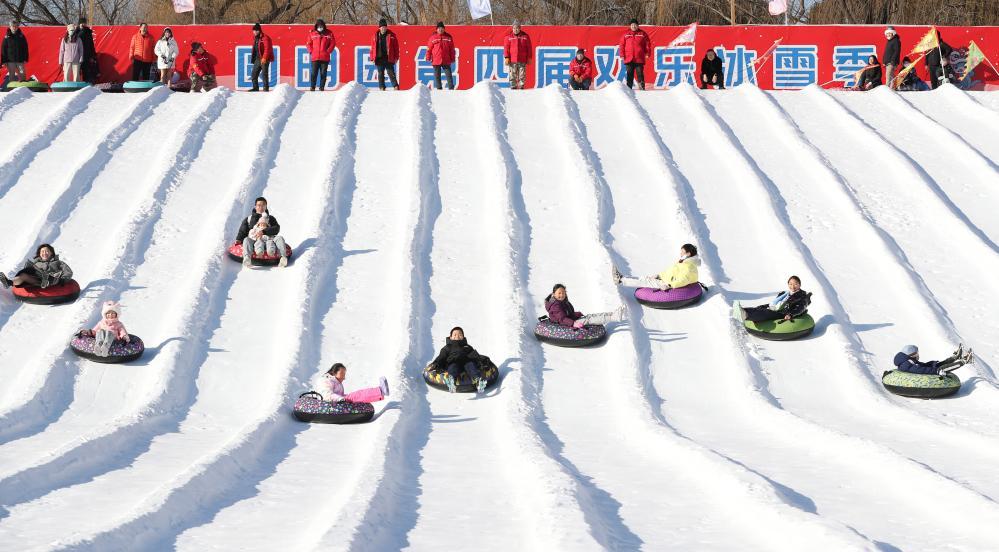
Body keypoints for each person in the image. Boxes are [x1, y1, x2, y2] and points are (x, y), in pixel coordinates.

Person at [612, 244, 701, 291]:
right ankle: (622, 278)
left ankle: (621, 280)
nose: (680, 253)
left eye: (682, 252)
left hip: (669, 284)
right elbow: (670, 272)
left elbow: (684, 280)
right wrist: (659, 275)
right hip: (666, 280)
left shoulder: (689, 267)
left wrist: (669, 285)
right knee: (646, 278)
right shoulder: (684, 262)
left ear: (688, 254)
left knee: (645, 281)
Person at [429, 327, 488, 393]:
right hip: (453, 362)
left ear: (463, 337)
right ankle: (451, 381)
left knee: (471, 365)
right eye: (455, 335)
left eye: (460, 334)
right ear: (451, 337)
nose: (457, 336)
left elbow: (474, 355)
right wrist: (436, 364)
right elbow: (441, 357)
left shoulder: (467, 347)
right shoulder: (447, 347)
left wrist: (481, 362)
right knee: (453, 367)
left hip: (466, 362)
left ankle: (478, 381)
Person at [545, 284, 626, 330]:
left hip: (569, 319)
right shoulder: (555, 305)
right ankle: (613, 318)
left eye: (563, 292)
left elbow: (566, 313)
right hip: (564, 323)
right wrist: (573, 323)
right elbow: (562, 318)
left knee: (590, 316)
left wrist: (575, 314)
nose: (562, 295)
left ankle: (612, 314)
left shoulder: (562, 301)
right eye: (559, 293)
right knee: (588, 319)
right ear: (554, 294)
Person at [234, 197, 287, 267]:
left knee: (280, 238)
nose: (261, 207)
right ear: (255, 206)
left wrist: (264, 231)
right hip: (255, 241)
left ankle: (283, 258)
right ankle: (247, 259)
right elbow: (243, 231)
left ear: (266, 206)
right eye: (259, 205)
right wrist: (239, 239)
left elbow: (276, 228)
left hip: (269, 240)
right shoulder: (249, 219)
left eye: (263, 205)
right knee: (246, 240)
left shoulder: (270, 218)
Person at [734, 275, 809, 323]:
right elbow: (774, 303)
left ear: (799, 285)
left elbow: (801, 307)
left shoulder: (802, 295)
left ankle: (745, 314)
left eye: (795, 284)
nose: (793, 286)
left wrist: (790, 314)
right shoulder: (784, 293)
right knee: (760, 308)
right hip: (776, 309)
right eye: (790, 284)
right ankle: (743, 310)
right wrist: (762, 306)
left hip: (783, 313)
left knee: (766, 313)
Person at [0, 243, 73, 289]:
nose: (44, 253)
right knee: (24, 275)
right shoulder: (37, 263)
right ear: (40, 254)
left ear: (51, 253)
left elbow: (68, 272)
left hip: (52, 279)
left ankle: (46, 281)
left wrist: (63, 280)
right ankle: (8, 283)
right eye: (42, 252)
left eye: (47, 251)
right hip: (37, 280)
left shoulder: (58, 262)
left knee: (50, 276)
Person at [314, 363, 389, 404]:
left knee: (358, 394)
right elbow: (326, 395)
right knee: (355, 396)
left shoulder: (333, 380)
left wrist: (341, 398)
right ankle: (380, 391)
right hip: (330, 403)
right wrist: (340, 398)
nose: (344, 377)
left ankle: (380, 391)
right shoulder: (325, 380)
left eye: (344, 374)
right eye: (342, 373)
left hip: (337, 401)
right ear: (334, 372)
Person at [894, 344, 973, 375]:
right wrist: (936, 371)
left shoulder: (906, 361)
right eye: (916, 353)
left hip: (925, 370)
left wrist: (931, 364)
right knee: (942, 369)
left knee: (938, 364)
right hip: (926, 375)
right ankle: (964, 361)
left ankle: (955, 357)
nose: (918, 355)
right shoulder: (906, 364)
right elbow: (920, 370)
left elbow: (920, 365)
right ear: (912, 355)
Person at [619, 18, 650, 90]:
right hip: (628, 58)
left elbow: (647, 44)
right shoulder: (626, 35)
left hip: (639, 58)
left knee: (640, 74)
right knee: (629, 74)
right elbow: (622, 45)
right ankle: (629, 89)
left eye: (635, 25)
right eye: (632, 25)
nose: (633, 26)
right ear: (630, 26)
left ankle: (642, 88)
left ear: (638, 26)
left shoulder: (642, 34)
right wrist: (622, 55)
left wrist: (647, 53)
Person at [370, 18, 399, 91]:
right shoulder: (375, 36)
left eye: (385, 27)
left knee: (391, 72)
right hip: (379, 58)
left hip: (388, 57)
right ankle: (382, 87)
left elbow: (396, 47)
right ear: (379, 28)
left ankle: (395, 86)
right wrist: (372, 58)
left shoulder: (391, 35)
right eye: (382, 27)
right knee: (380, 73)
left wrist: (396, 57)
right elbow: (372, 48)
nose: (384, 28)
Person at [306, 19, 334, 91]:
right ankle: (312, 87)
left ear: (324, 26)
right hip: (315, 57)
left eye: (321, 26)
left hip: (325, 57)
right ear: (316, 26)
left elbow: (333, 43)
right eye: (318, 26)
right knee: (313, 73)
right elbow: (308, 44)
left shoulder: (329, 33)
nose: (320, 27)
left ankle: (322, 87)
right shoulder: (312, 33)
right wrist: (311, 51)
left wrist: (328, 51)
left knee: (323, 73)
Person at [426, 22, 455, 90]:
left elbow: (452, 49)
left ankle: (451, 88)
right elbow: (429, 49)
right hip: (436, 59)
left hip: (446, 59)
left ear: (444, 29)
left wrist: (452, 58)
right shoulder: (433, 37)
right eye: (439, 28)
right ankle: (439, 89)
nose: (440, 30)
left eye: (442, 28)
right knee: (437, 75)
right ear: (436, 29)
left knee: (449, 75)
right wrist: (428, 57)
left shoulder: (448, 37)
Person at [503, 22, 532, 90]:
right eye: (514, 28)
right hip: (512, 59)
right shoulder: (508, 37)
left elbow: (529, 48)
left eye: (517, 28)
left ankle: (521, 85)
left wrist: (529, 57)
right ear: (512, 28)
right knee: (512, 73)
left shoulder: (525, 36)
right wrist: (506, 57)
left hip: (522, 59)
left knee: (522, 73)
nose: (515, 30)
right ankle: (513, 86)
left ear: (520, 28)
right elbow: (506, 48)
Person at [249, 23, 273, 92]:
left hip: (264, 58)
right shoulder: (255, 38)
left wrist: (264, 58)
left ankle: (265, 88)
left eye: (256, 30)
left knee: (264, 74)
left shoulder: (265, 38)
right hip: (258, 58)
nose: (254, 32)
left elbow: (267, 48)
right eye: (254, 30)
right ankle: (255, 87)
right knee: (254, 74)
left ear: (259, 30)